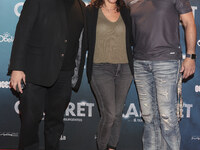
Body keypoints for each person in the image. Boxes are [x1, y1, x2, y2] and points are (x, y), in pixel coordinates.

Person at [8, 0, 86, 149]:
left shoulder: (81, 6)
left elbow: (80, 42)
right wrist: (17, 68)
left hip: (64, 74)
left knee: (55, 123)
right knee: (30, 122)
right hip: (35, 72)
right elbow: (22, 33)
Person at [127, 0, 196, 149]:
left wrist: (190, 56)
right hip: (140, 62)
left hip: (167, 62)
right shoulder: (129, 1)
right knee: (148, 118)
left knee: (167, 119)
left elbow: (189, 22)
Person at [86, 0, 134, 149]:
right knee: (110, 115)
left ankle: (112, 147)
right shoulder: (91, 11)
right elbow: (83, 39)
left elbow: (132, 39)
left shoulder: (126, 10)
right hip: (100, 69)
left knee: (118, 114)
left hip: (125, 69)